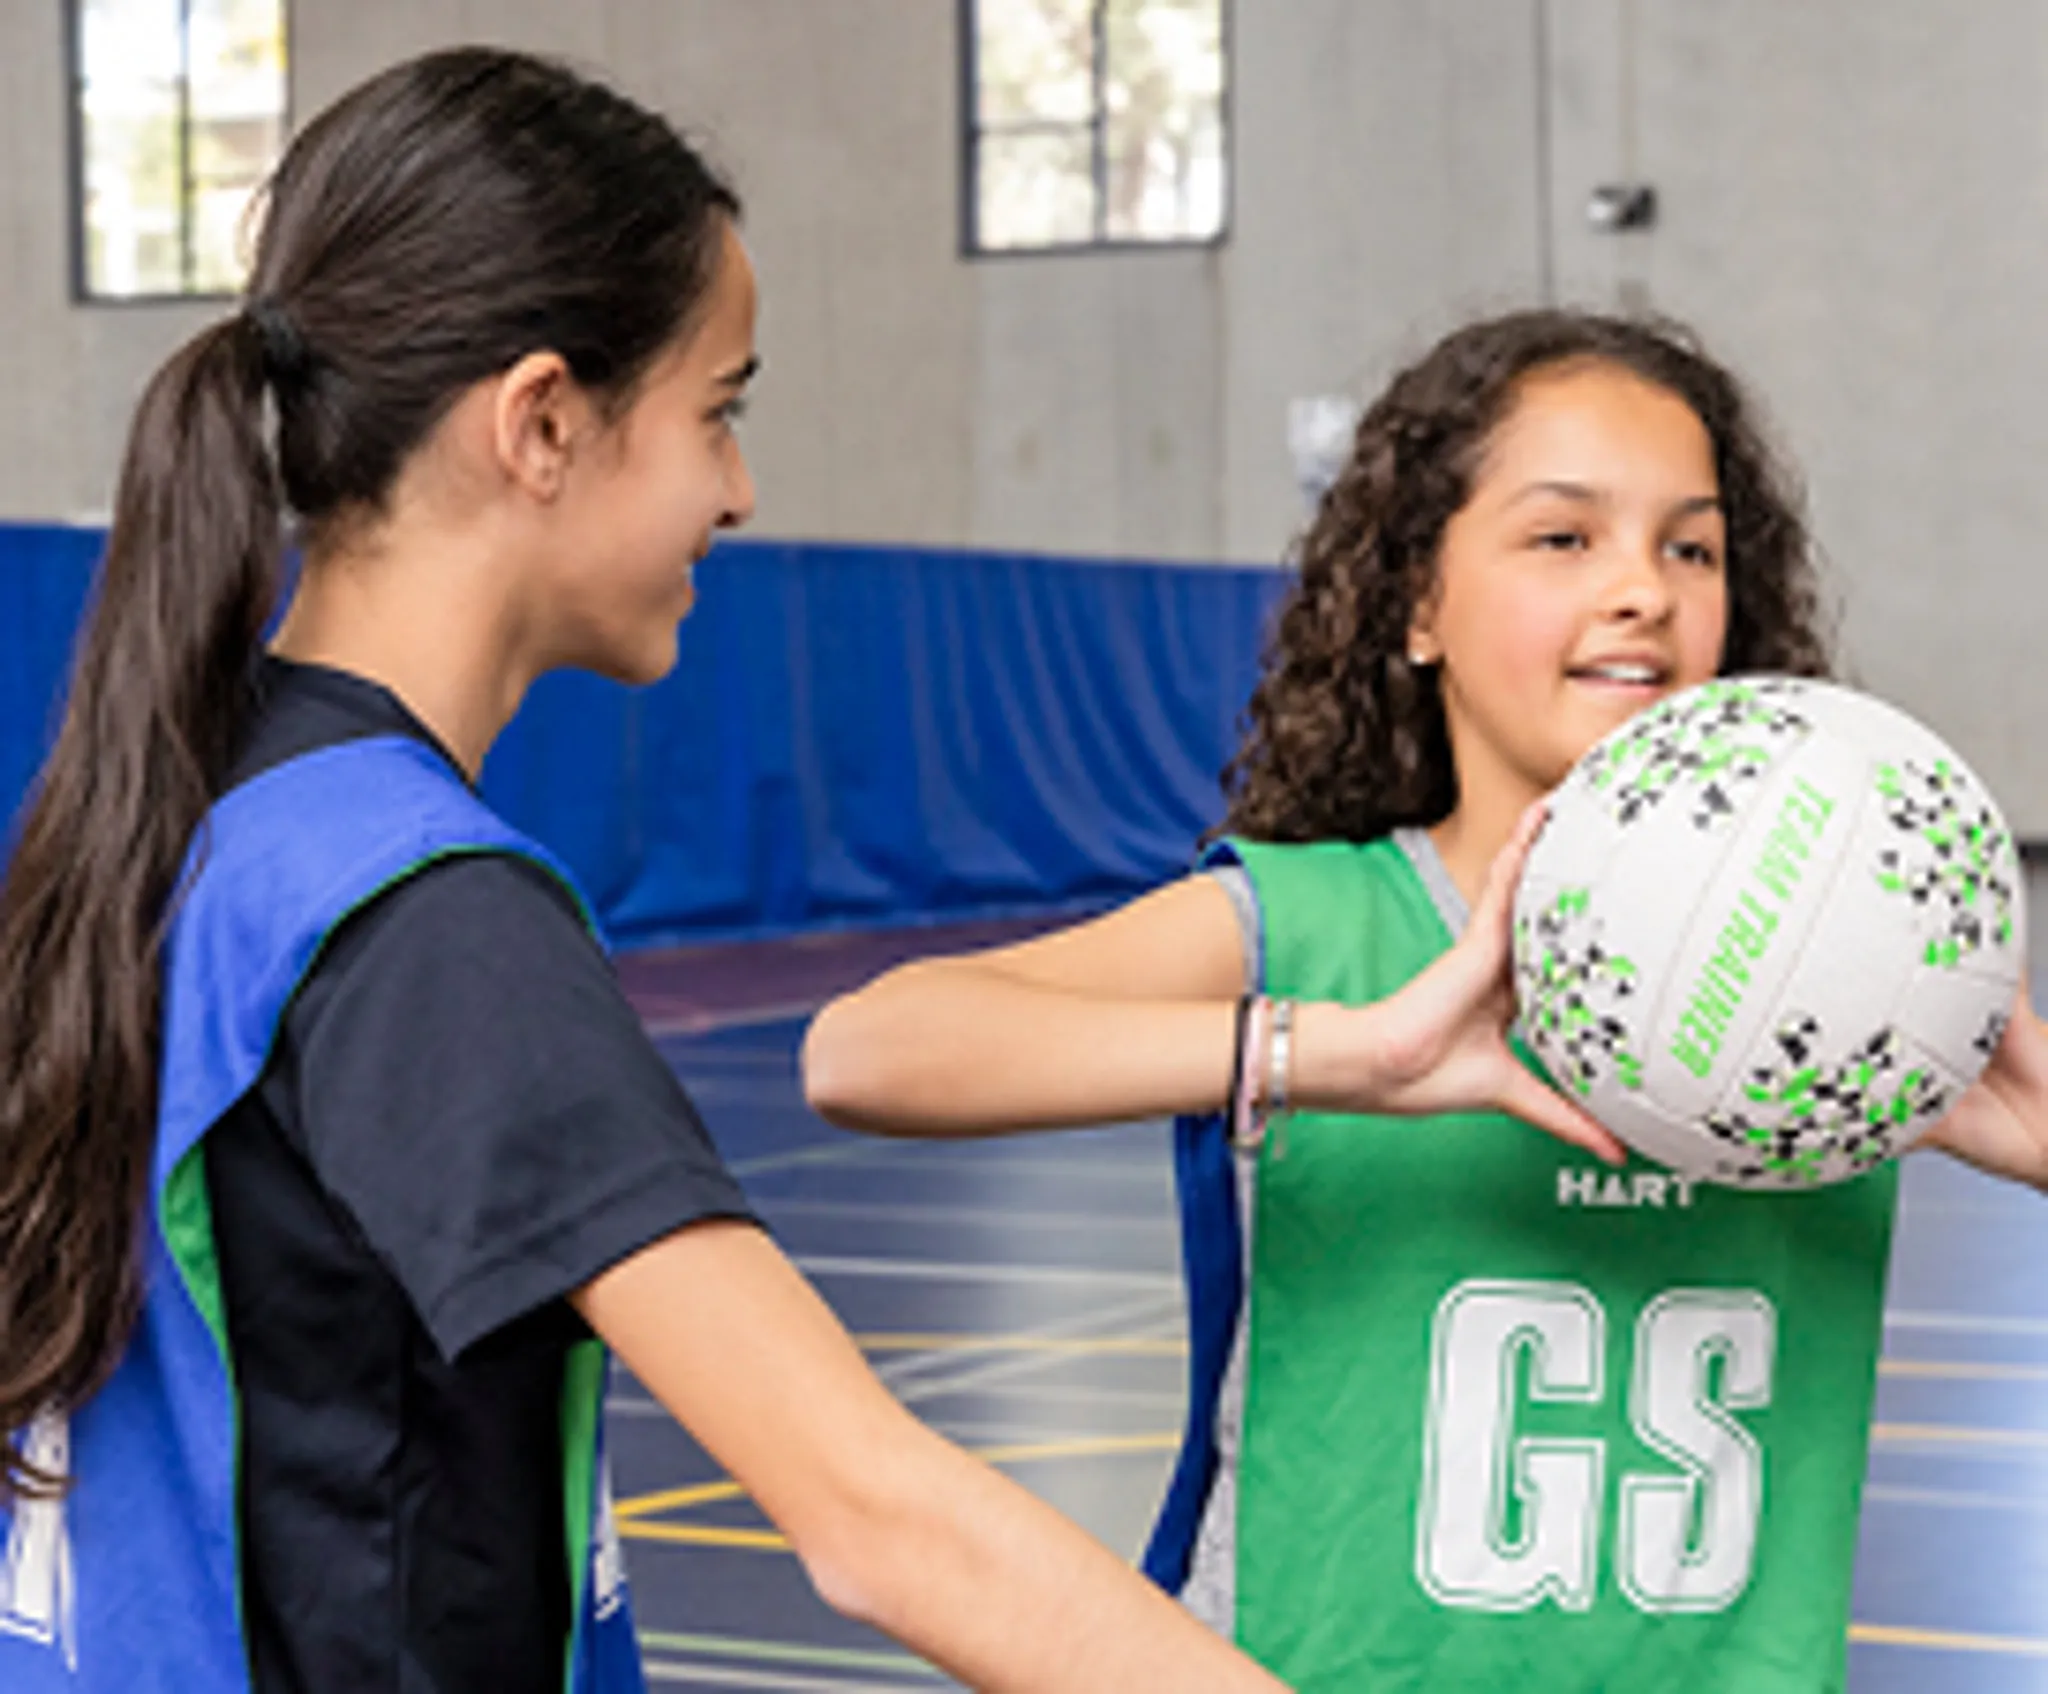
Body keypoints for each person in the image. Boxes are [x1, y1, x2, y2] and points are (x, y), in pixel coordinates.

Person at [0, 47, 1292, 1694]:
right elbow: (872, 1513)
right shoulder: (421, 919)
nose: (739, 490)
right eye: (719, 411)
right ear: (543, 421)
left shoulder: (200, 812)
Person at [803, 307, 2048, 1692]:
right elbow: (868, 1050)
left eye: (1690, 546)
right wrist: (1339, 1051)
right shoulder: (1313, 923)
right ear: (1416, 608)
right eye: (1565, 536)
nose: (1643, 586)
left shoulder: (1851, 990)